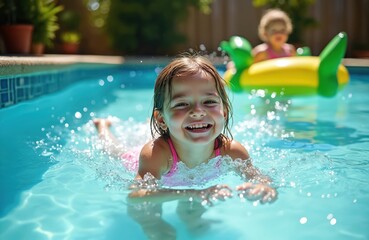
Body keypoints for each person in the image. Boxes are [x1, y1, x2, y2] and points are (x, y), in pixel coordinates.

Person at [94, 54, 277, 206]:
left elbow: (260, 178)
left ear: (225, 112)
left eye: (209, 102)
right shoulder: (155, 154)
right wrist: (191, 194)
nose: (198, 112)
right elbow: (136, 196)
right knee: (115, 151)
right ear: (161, 119)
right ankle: (103, 127)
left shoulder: (231, 151)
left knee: (194, 214)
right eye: (181, 104)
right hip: (140, 162)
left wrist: (265, 186)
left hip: (188, 178)